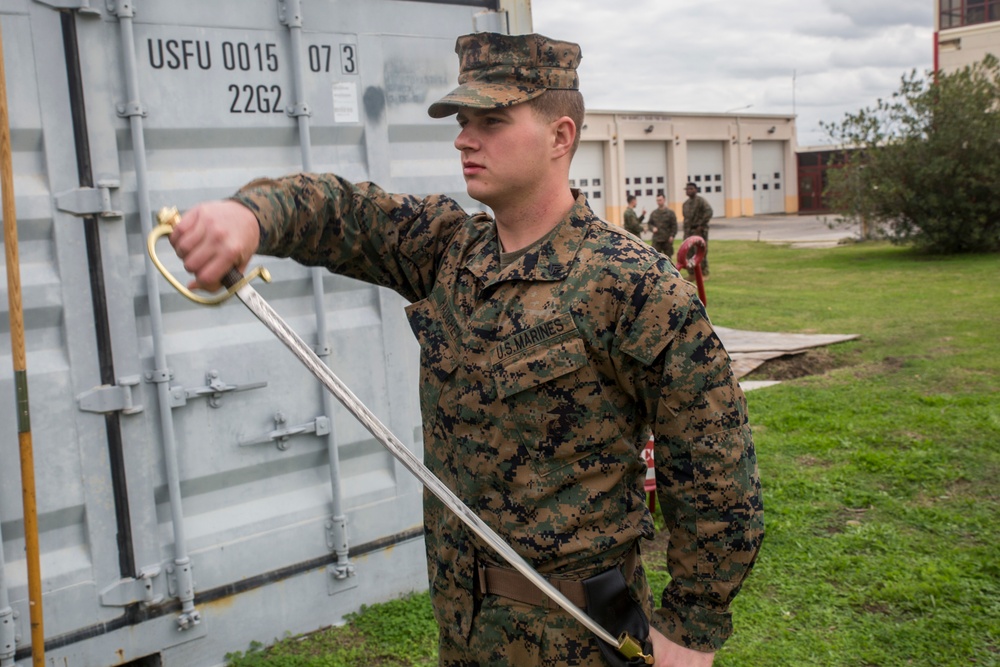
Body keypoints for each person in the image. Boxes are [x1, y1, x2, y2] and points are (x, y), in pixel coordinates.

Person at [169, 32, 762, 667]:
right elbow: (347, 212)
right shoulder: (449, 251)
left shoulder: (630, 284)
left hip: (577, 637)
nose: (463, 139)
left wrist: (692, 627)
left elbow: (712, 461)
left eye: (491, 121)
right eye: (462, 121)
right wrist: (250, 217)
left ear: (561, 137)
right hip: (464, 629)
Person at [682, 182, 713, 276]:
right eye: (687, 189)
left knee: (700, 252)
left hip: (699, 230)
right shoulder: (685, 204)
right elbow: (686, 218)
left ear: (696, 190)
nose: (689, 191)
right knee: (689, 252)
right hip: (689, 231)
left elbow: (709, 212)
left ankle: (704, 273)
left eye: (691, 189)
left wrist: (701, 225)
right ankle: (692, 274)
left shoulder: (701, 201)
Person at [647, 194, 678, 258]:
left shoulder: (670, 213)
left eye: (660, 200)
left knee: (668, 258)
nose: (659, 202)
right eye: (657, 200)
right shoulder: (654, 213)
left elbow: (674, 225)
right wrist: (652, 228)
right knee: (655, 258)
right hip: (657, 240)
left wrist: (672, 235)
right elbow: (649, 224)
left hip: (667, 239)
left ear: (664, 200)